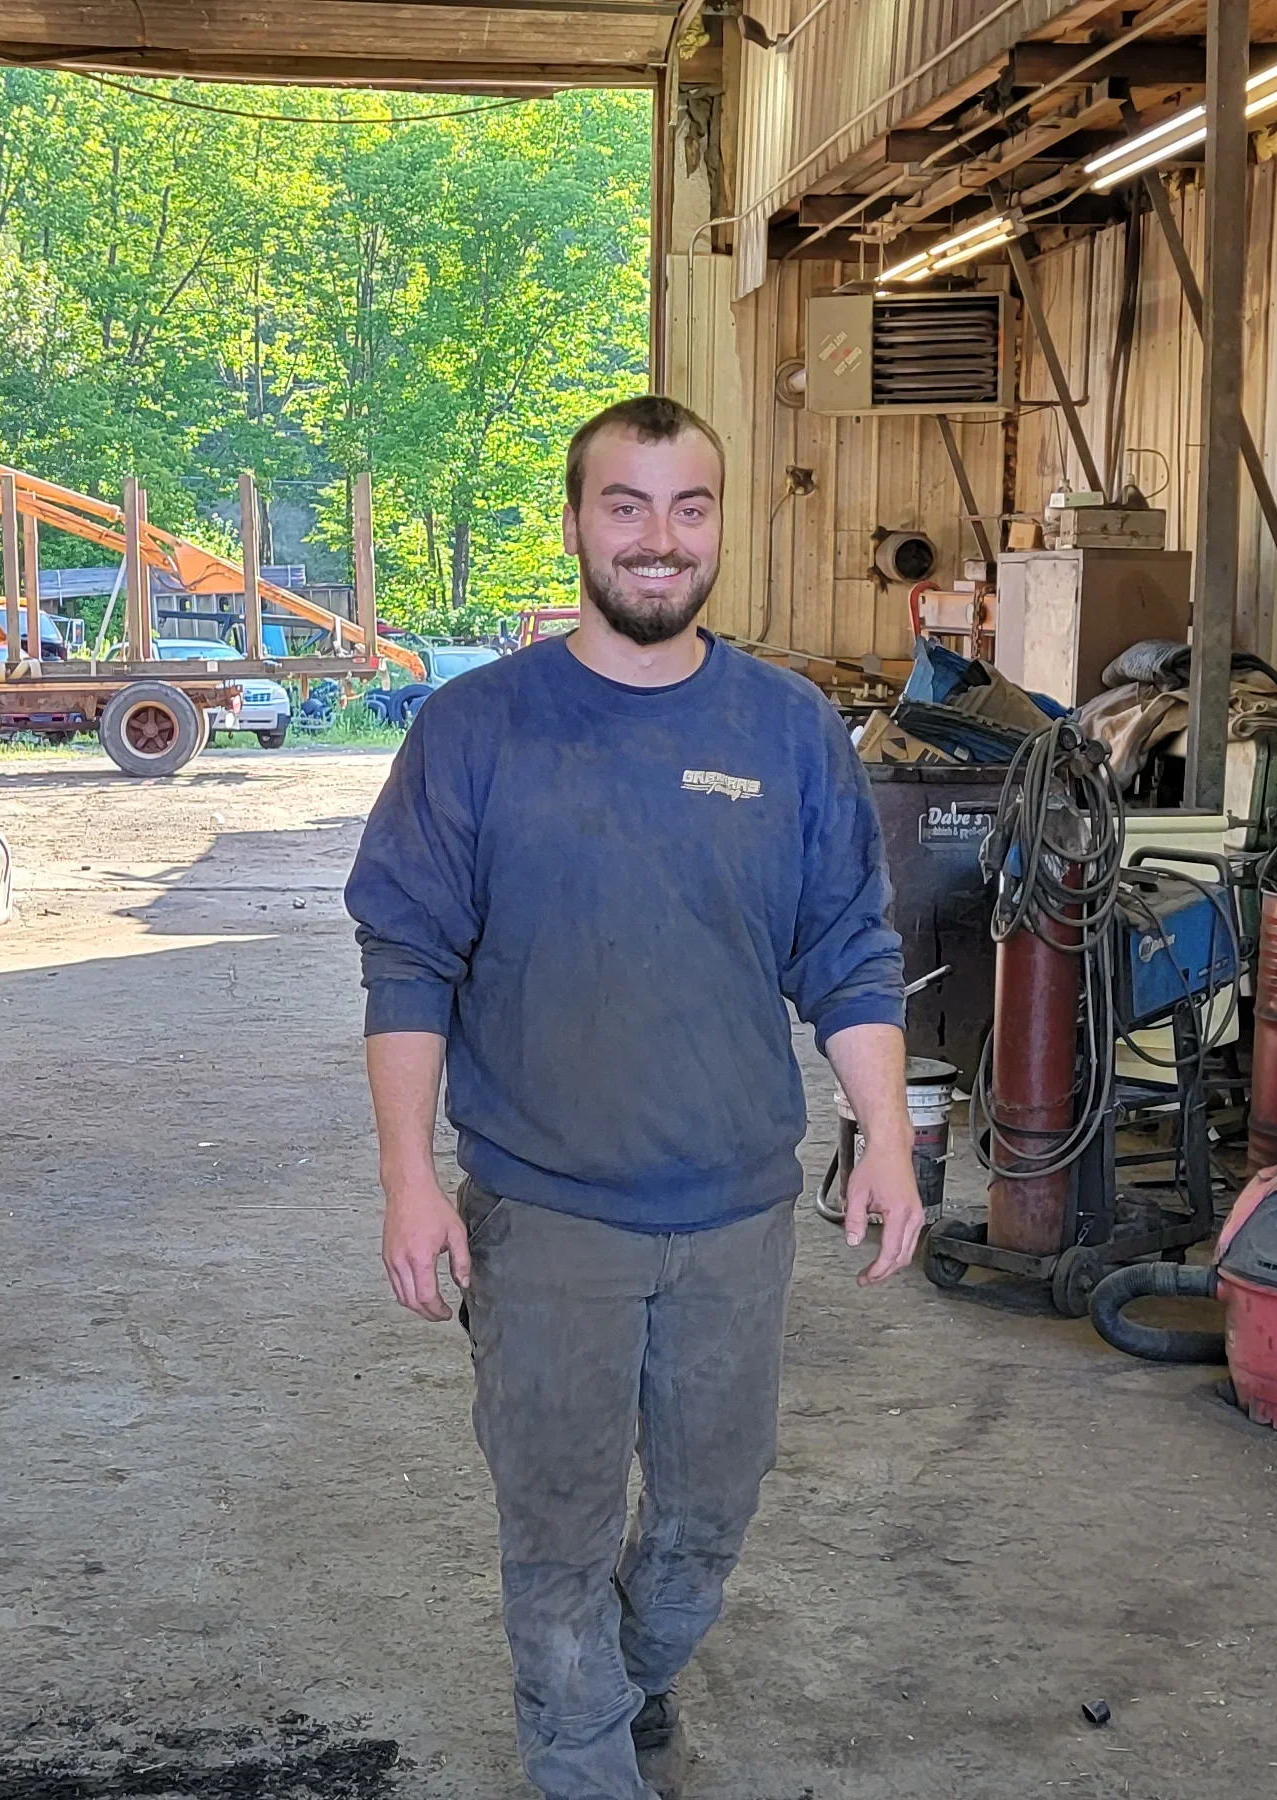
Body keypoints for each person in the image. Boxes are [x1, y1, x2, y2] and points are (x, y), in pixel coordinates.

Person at [347, 394, 921, 1800]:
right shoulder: (477, 729)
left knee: (706, 1521)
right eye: (626, 506)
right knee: (554, 1529)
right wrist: (410, 1179)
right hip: (548, 1218)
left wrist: (891, 1146)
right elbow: (408, 961)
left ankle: (617, 1681)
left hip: (735, 1216)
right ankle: (584, 1757)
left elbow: (846, 951)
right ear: (575, 525)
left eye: (688, 508)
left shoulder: (786, 731)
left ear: (721, 526)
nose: (657, 542)